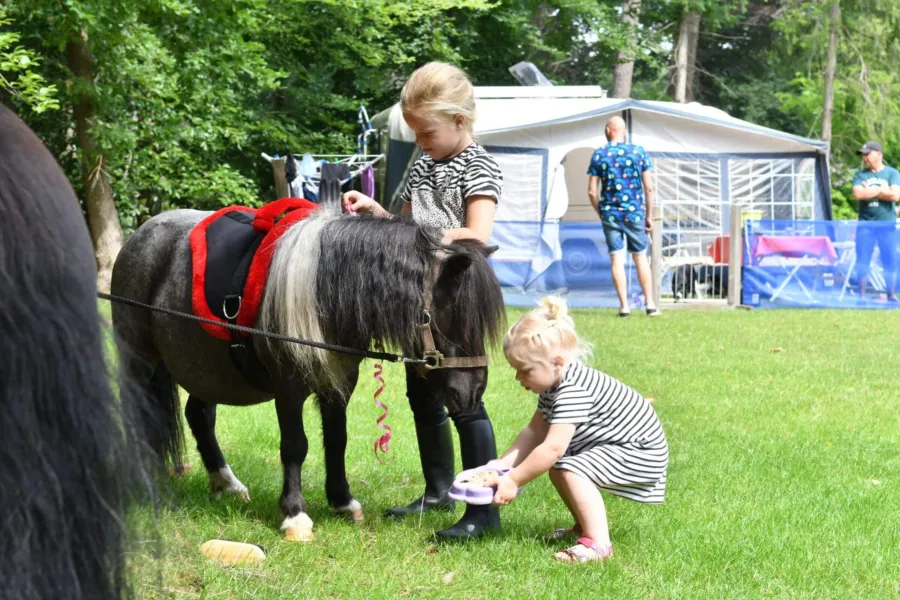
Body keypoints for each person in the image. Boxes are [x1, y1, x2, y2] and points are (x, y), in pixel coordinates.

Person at [342, 61, 504, 539]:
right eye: (413, 132)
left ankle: (482, 512)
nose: (419, 141)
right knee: (422, 394)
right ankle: (437, 491)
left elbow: (477, 233)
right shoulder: (424, 164)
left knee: (465, 398)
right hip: (420, 295)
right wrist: (379, 214)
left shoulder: (479, 164)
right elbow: (404, 223)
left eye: (426, 131)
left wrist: (417, 232)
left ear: (459, 122)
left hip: (459, 292)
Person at [481, 297, 668, 563]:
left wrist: (513, 480)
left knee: (567, 467)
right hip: (619, 447)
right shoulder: (553, 386)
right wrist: (503, 464)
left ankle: (599, 546)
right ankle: (584, 528)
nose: (518, 378)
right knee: (560, 469)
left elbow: (553, 447)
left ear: (556, 362)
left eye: (524, 370)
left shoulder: (573, 391)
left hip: (639, 452)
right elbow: (533, 432)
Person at [587, 116, 660, 317]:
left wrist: (600, 212)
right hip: (635, 212)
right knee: (640, 258)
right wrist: (649, 215)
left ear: (609, 130)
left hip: (610, 214)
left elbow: (592, 191)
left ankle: (624, 307)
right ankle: (651, 305)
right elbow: (649, 188)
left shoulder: (599, 154)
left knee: (616, 260)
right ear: (624, 131)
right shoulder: (638, 152)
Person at [851, 141, 899, 302]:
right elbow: (858, 195)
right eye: (863, 155)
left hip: (887, 224)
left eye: (867, 154)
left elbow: (895, 196)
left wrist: (872, 191)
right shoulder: (860, 175)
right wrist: (882, 190)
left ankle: (891, 295)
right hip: (866, 224)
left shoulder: (892, 173)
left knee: (889, 258)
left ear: (878, 154)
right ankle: (862, 296)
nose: (864, 158)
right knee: (863, 259)